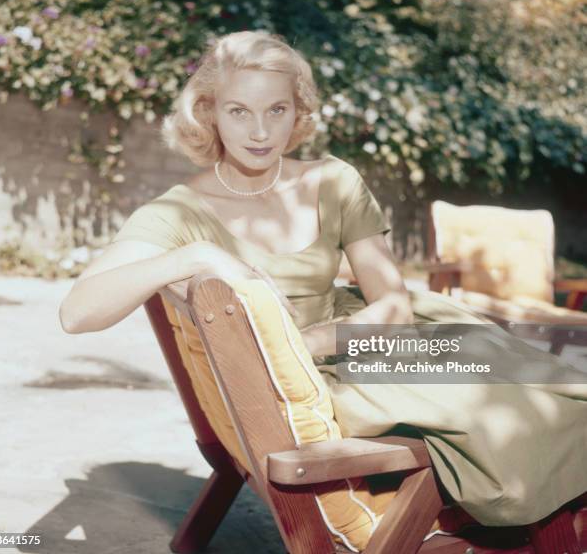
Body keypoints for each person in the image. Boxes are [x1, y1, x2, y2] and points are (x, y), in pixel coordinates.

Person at [59, 30, 587, 529]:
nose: (260, 132)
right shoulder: (180, 212)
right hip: (318, 377)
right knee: (517, 412)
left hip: (371, 337)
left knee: (557, 381)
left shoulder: (334, 181)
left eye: (277, 110)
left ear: (298, 113)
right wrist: (192, 255)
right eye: (239, 111)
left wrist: (306, 340)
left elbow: (394, 310)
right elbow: (76, 313)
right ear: (209, 114)